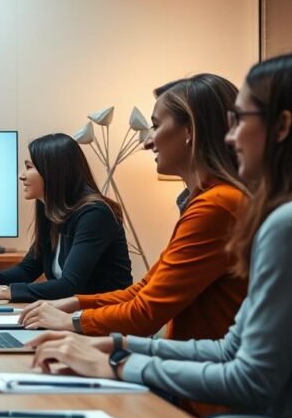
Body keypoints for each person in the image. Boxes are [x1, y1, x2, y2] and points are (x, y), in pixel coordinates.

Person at [26, 53, 292, 418]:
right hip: (208, 398)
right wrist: (112, 342)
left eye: (241, 120)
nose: (230, 136)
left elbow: (153, 312)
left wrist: (111, 356)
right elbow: (226, 348)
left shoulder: (234, 210)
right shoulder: (225, 206)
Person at [17, 74, 247, 339]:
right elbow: (143, 290)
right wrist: (77, 303)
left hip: (204, 370)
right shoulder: (206, 201)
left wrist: (73, 319)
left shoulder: (216, 206)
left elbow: (146, 313)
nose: (148, 142)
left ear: (189, 131)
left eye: (156, 126)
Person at [0, 133, 132, 303]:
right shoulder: (51, 210)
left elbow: (69, 285)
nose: (21, 175)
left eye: (29, 167)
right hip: (70, 316)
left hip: (104, 321)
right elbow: (29, 268)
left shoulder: (96, 214)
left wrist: (4, 292)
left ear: (53, 172)